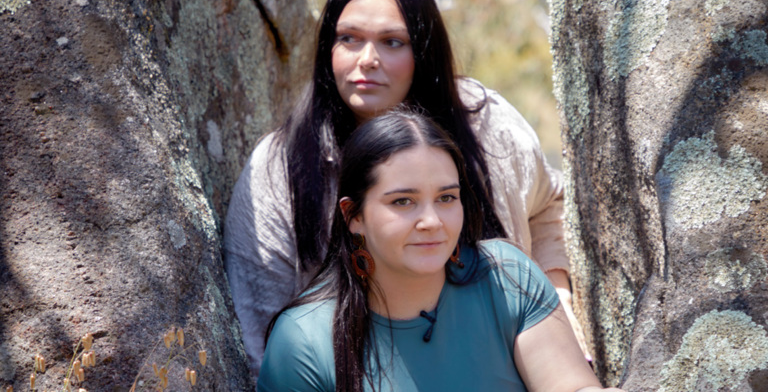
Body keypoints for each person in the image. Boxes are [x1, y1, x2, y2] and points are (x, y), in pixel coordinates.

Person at [223, 0, 583, 379]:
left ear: (423, 50)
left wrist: (557, 301)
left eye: (392, 42)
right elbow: (257, 333)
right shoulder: (283, 167)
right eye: (349, 39)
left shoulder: (486, 126)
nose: (368, 59)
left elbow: (546, 204)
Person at [258, 110, 620, 392]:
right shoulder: (303, 341)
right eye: (403, 201)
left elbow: (570, 385)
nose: (431, 221)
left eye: (446, 197)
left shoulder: (508, 277)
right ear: (353, 216)